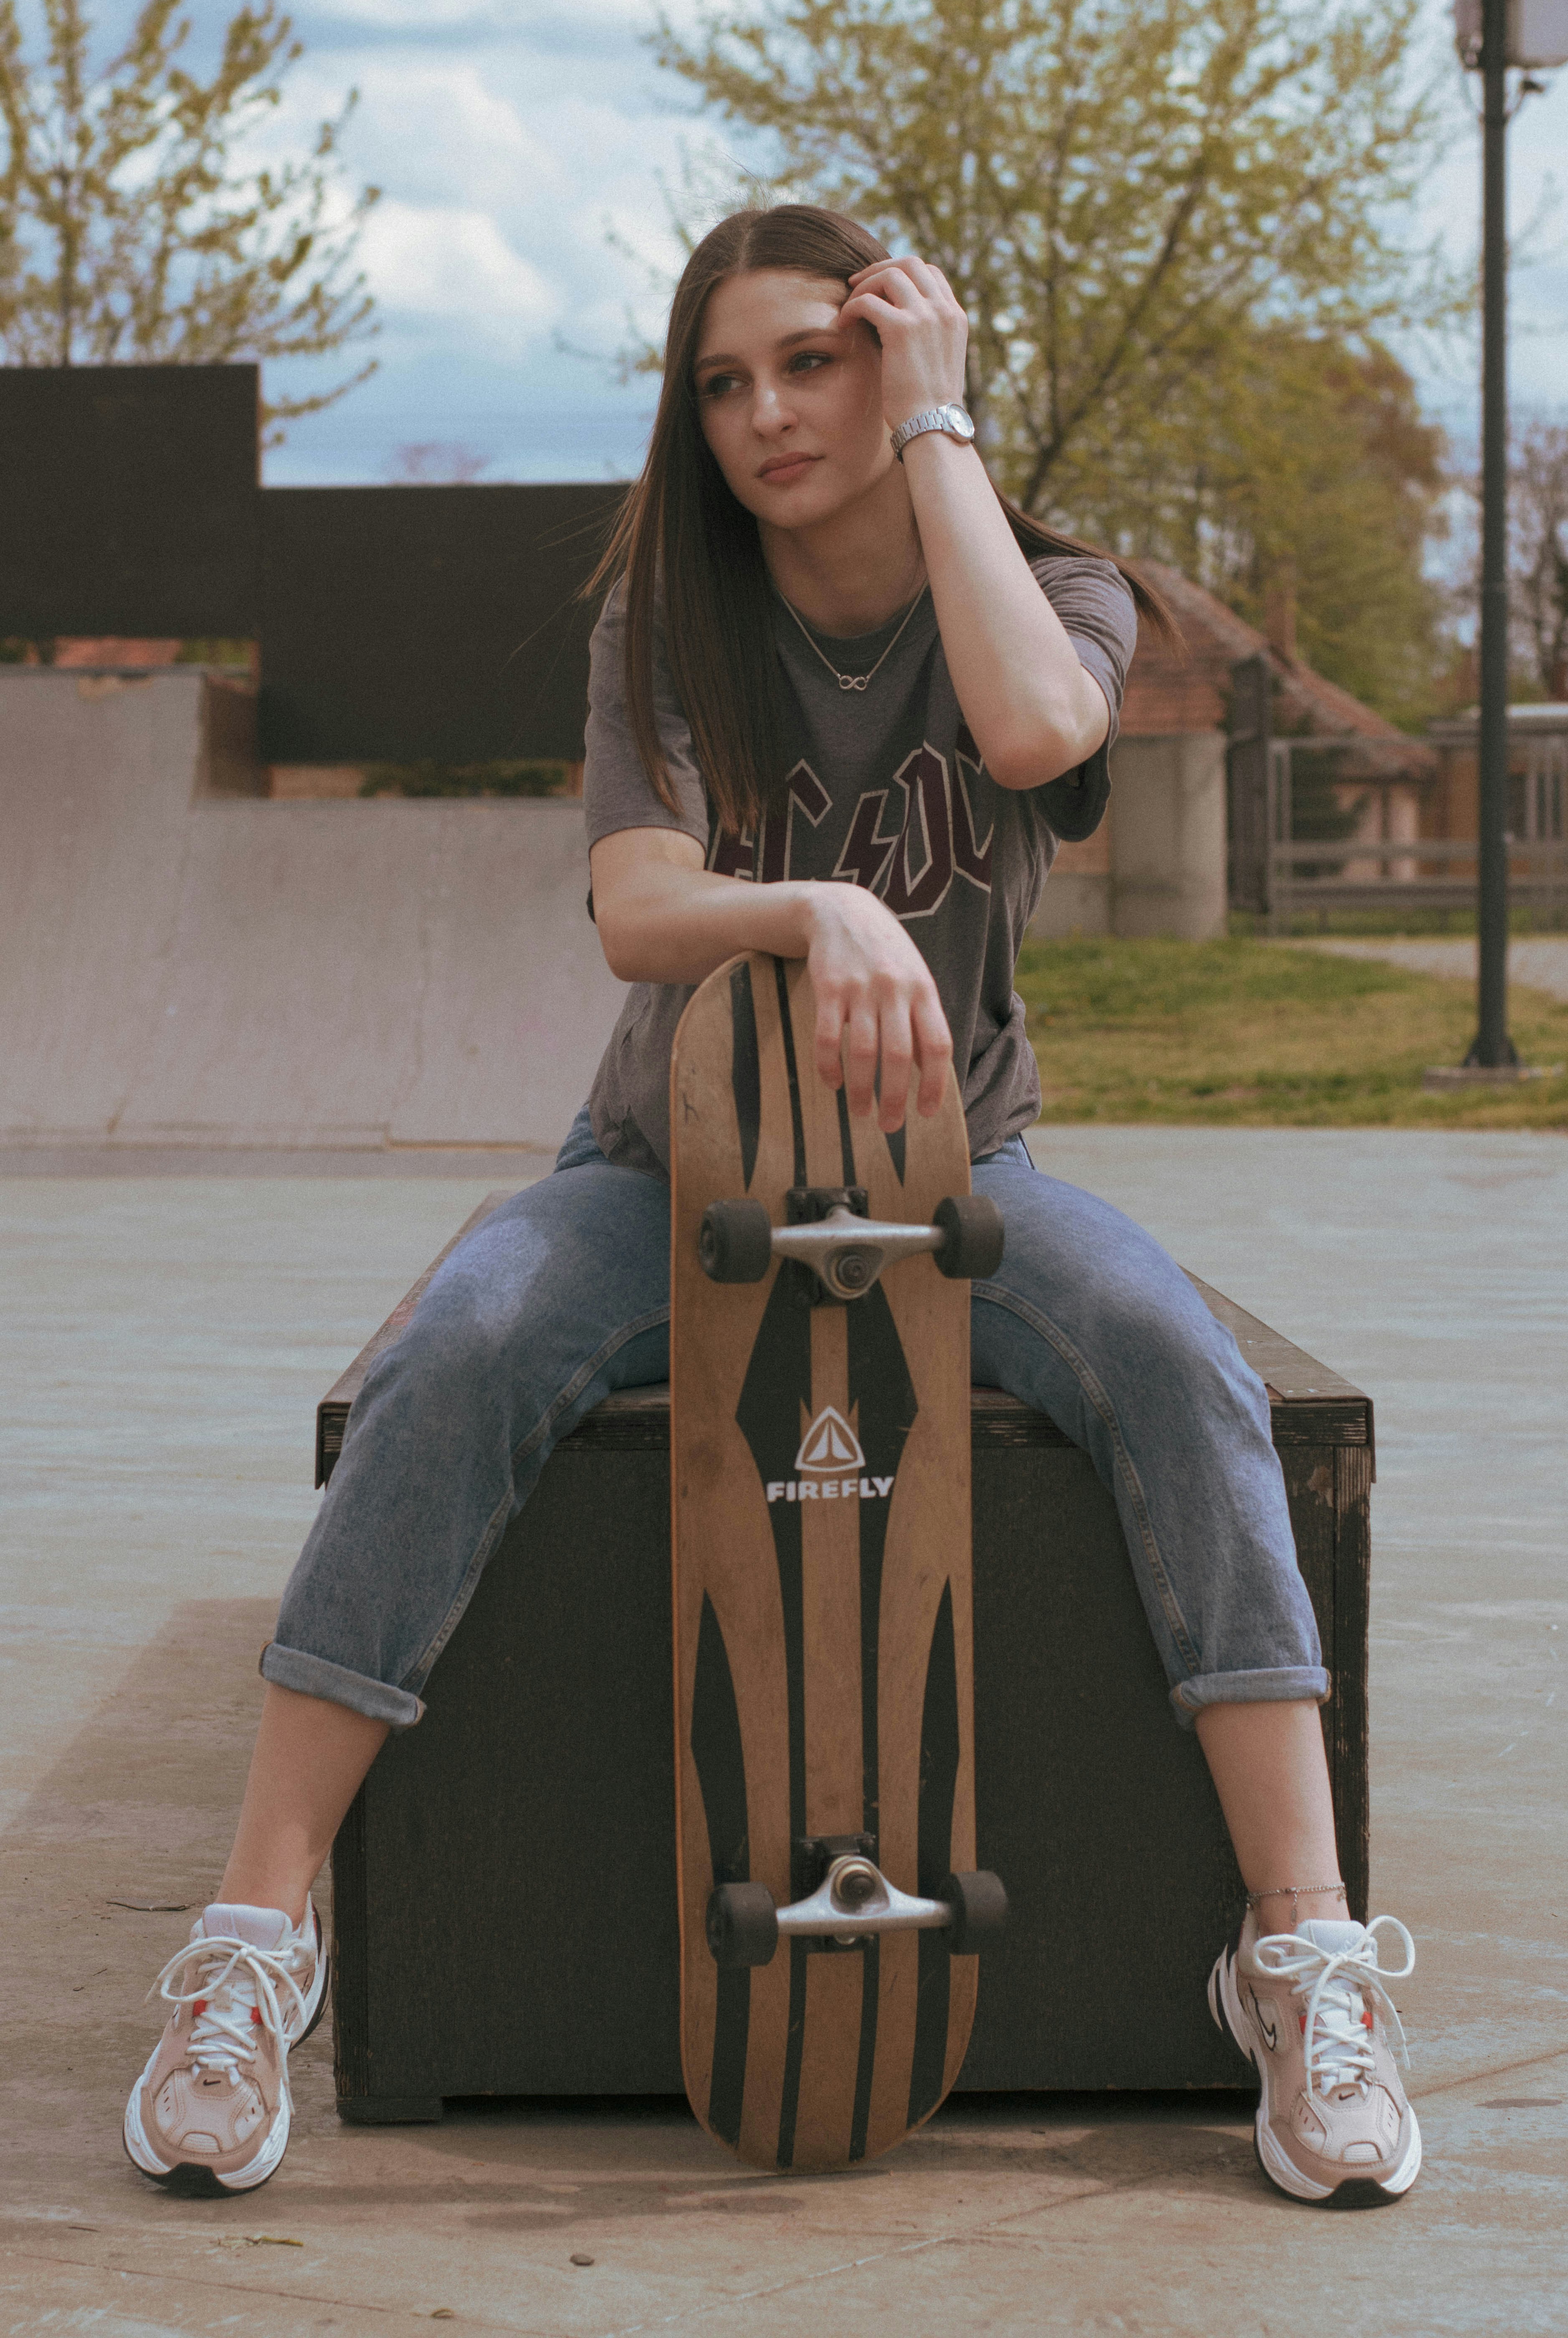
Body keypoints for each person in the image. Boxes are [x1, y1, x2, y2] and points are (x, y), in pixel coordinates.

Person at [123, 204, 1418, 2208]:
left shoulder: (1057, 590)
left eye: (814, 359)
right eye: (723, 382)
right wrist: (817, 906)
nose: (766, 415)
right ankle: (254, 1942)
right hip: (668, 1174)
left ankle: (1302, 1953)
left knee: (1179, 1360)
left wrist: (945, 425)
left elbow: (1034, 732)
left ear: (900, 354)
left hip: (956, 1178)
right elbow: (637, 904)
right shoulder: (669, 623)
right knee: (456, 1351)